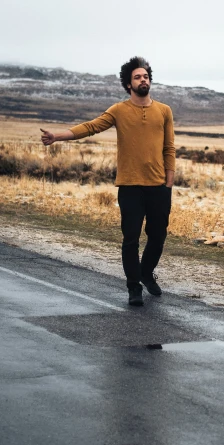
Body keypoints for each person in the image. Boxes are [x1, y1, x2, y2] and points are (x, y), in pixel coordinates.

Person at [40, 56, 175, 307]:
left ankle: (146, 272)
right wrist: (57, 136)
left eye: (145, 76)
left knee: (158, 236)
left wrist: (169, 183)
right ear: (128, 84)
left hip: (158, 187)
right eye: (137, 77)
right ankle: (133, 286)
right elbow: (91, 127)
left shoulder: (164, 111)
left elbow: (169, 148)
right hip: (130, 186)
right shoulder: (119, 110)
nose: (143, 80)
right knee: (131, 238)